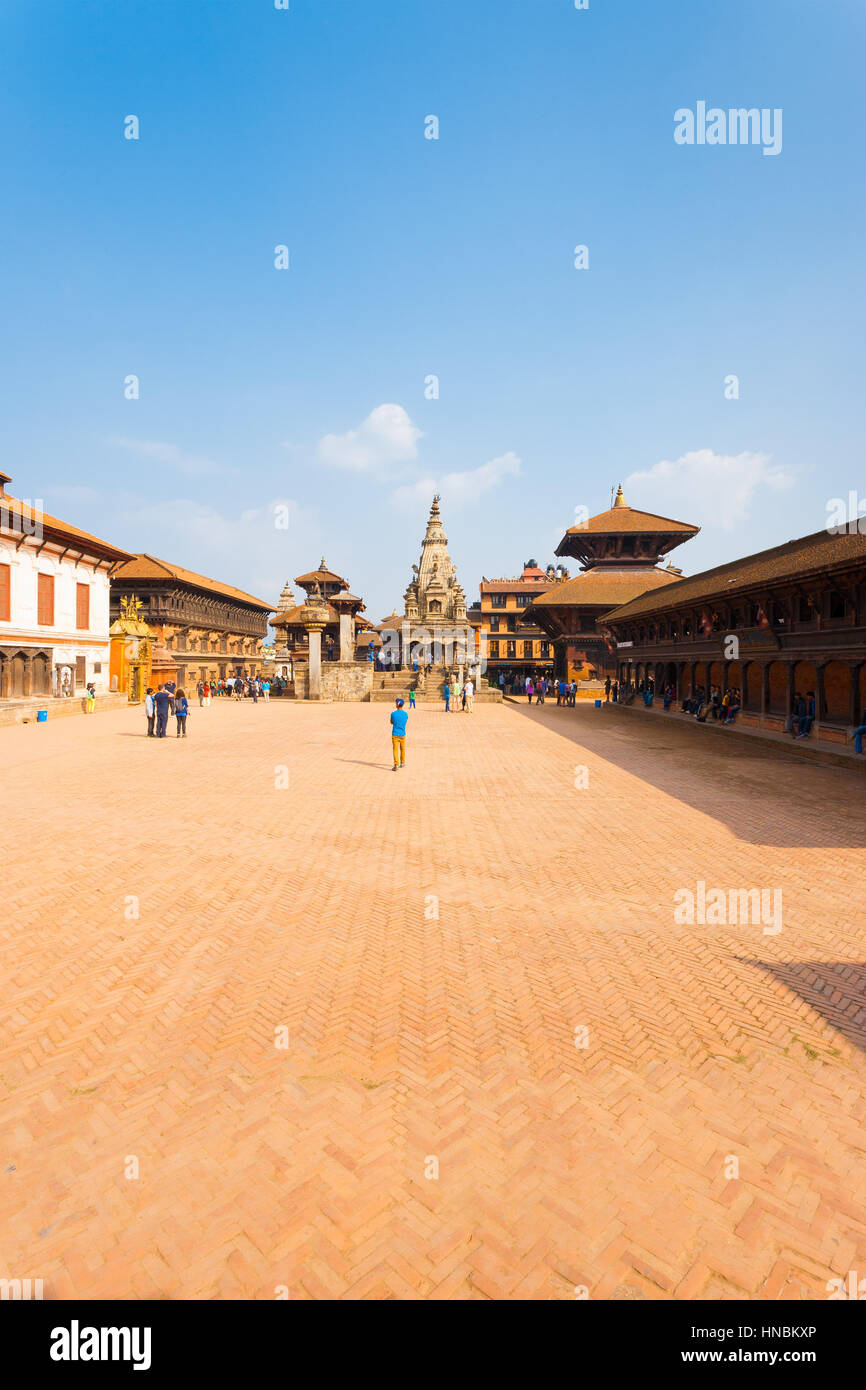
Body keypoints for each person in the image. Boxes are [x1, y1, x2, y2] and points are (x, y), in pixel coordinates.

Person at [390, 697, 408, 770]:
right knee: (402, 749)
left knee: (395, 749)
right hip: (402, 733)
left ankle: (396, 764)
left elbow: (391, 722)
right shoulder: (405, 714)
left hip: (395, 733)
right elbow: (405, 722)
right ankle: (402, 762)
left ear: (397, 705)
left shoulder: (393, 713)